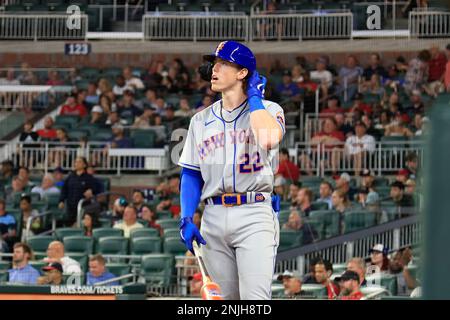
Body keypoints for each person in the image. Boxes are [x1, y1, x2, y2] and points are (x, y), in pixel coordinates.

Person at [178, 41, 285, 300]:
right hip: (213, 216)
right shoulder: (200, 120)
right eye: (214, 63)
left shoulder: (270, 110)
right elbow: (191, 172)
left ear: (242, 72)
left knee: (254, 300)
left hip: (254, 213)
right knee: (225, 301)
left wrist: (255, 98)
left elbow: (269, 139)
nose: (214, 69)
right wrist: (186, 216)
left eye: (224, 64)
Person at [59, 157, 100, 226]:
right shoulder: (70, 177)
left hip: (83, 206)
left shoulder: (89, 178)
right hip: (70, 206)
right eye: (75, 162)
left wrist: (91, 191)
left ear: (84, 165)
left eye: (79, 162)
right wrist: (61, 200)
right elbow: (64, 190)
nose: (76, 164)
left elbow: (96, 188)